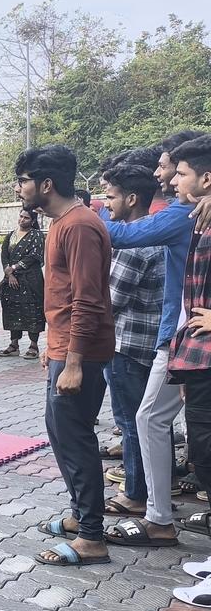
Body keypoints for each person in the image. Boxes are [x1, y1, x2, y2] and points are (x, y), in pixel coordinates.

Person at [98, 131, 202, 549]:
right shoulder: (192, 212)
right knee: (155, 420)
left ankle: (158, 516)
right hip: (179, 334)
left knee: (147, 419)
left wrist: (81, 211)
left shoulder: (181, 215)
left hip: (181, 335)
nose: (167, 178)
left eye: (175, 170)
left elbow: (119, 237)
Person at [15, 145, 114, 567]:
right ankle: (79, 517)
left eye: (23, 181)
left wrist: (72, 361)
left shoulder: (79, 227)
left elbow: (88, 301)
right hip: (64, 347)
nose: (20, 189)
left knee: (76, 441)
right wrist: (55, 348)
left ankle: (92, 537)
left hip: (82, 354)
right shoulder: (60, 222)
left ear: (46, 184)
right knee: (60, 432)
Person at [99, 163, 165, 521]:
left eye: (110, 197)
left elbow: (111, 299)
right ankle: (154, 486)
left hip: (127, 345)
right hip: (147, 342)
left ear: (132, 198)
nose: (107, 204)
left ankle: (137, 493)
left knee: (131, 423)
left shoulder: (135, 241)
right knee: (151, 421)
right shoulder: (151, 232)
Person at [168, 135, 211, 570]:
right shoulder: (200, 219)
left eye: (181, 172)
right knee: (201, 446)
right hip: (199, 355)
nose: (173, 180)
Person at [0, 209, 46, 358]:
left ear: (32, 221)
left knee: (32, 310)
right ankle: (14, 344)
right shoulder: (11, 235)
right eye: (21, 216)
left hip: (31, 279)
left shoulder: (36, 236)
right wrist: (9, 272)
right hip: (12, 280)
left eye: (26, 218)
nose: (22, 220)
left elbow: (34, 256)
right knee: (12, 308)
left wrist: (15, 268)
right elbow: (4, 254)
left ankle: (33, 346)